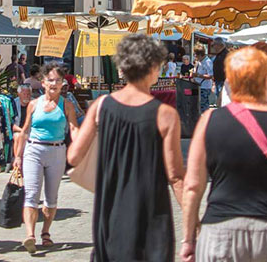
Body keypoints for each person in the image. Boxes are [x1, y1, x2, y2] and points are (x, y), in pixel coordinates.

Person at [180, 46, 267, 262]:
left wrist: (189, 240)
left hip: (219, 231)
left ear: (231, 82)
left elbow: (192, 186)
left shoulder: (208, 120)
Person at [68, 34, 184, 262]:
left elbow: (73, 156)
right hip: (152, 216)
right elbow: (176, 177)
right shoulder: (166, 114)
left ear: (123, 66)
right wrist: (191, 225)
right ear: (153, 67)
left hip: (111, 213)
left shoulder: (101, 106)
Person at [13, 63, 81, 252]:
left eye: (58, 80)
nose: (54, 83)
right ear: (43, 83)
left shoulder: (66, 105)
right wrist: (18, 156)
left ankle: (46, 232)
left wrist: (80, 147)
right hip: (34, 150)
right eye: (50, 80)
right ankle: (30, 235)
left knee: (51, 198)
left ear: (62, 84)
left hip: (57, 151)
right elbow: (25, 130)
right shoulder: (34, 104)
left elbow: (74, 128)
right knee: (31, 195)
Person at [194, 42, 217, 111]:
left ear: (200, 54)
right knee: (199, 106)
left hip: (204, 87)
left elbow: (210, 75)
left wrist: (198, 75)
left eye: (196, 55)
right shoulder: (200, 61)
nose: (195, 56)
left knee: (203, 107)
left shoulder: (207, 62)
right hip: (199, 86)